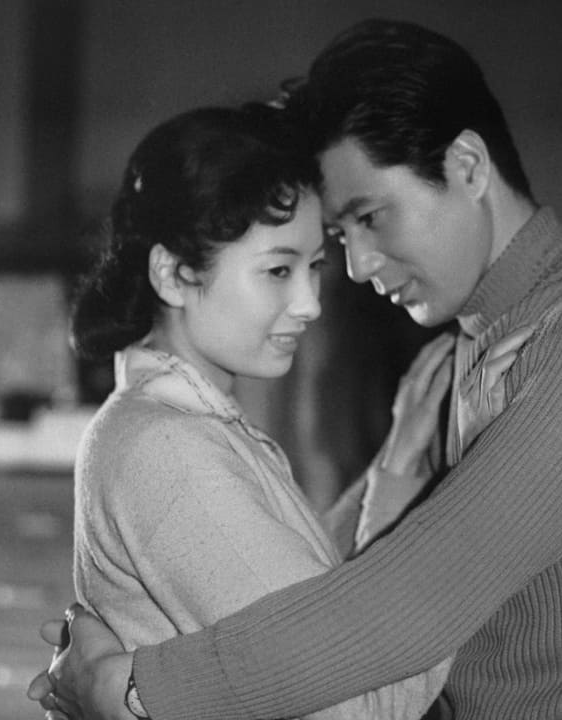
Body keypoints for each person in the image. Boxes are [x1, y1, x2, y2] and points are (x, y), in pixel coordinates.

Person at [31, 18, 562, 719]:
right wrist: (394, 473)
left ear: (467, 166)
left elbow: (407, 604)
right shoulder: (465, 352)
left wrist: (129, 690)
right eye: (341, 235)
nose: (358, 267)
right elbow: (314, 588)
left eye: (370, 217)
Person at [51, 104, 526, 720]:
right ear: (173, 275)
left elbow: (314, 612)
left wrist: (399, 469)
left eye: (315, 267)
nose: (309, 304)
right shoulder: (168, 452)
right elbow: (355, 710)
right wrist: (487, 483)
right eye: (278, 270)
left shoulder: (179, 425)